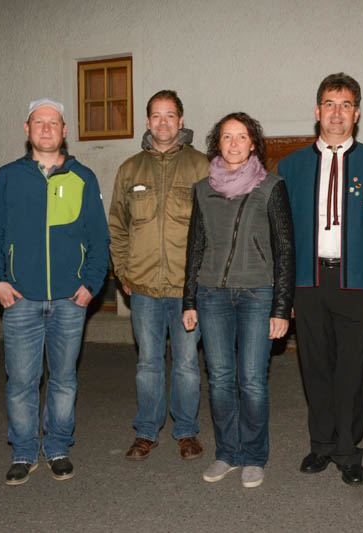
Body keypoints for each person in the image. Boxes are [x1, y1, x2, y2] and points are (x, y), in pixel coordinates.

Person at [278, 73, 363, 486]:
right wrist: (284, 293)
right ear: (317, 111)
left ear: (357, 113)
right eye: (330, 104)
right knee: (314, 367)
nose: (337, 113)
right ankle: (321, 445)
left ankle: (348, 450)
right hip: (308, 282)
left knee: (351, 370)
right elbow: (281, 237)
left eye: (345, 105)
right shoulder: (291, 167)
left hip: (358, 284)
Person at [0, 98, 110, 485]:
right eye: (39, 122)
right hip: (20, 299)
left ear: (64, 131)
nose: (47, 128)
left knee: (64, 379)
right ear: (27, 129)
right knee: (21, 381)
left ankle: (57, 446)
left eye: (54, 122)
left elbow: (99, 239)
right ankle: (23, 450)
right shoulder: (7, 177)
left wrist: (91, 284)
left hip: (70, 301)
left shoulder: (83, 177)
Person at [182, 112, 294, 488]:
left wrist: (281, 307)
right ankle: (227, 452)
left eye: (241, 136)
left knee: (252, 380)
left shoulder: (271, 186)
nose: (234, 143)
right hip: (211, 294)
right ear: (217, 143)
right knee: (220, 379)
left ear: (253, 144)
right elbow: (195, 246)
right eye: (227, 136)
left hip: (257, 293)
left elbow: (285, 249)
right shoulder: (202, 189)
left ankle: (254, 455)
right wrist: (189, 300)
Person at [109, 90, 209, 461]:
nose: (163, 122)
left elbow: (213, 227)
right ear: (148, 121)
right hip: (144, 287)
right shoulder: (130, 169)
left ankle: (186, 431)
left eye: (170, 115)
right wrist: (123, 270)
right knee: (148, 364)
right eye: (156, 115)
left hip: (187, 289)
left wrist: (204, 279)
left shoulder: (201, 166)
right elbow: (117, 225)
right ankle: (146, 431)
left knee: (186, 364)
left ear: (181, 121)